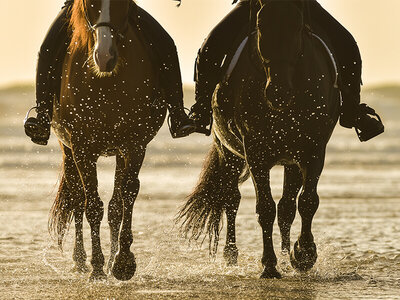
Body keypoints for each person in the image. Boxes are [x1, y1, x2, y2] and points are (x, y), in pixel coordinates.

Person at [190, 0, 384, 142]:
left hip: (302, 5)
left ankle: (352, 110)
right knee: (210, 47)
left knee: (347, 45)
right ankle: (201, 110)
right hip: (254, 4)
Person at [24, 0, 195, 145]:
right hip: (83, 5)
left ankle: (177, 113)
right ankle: (43, 114)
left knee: (166, 45)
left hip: (119, 5)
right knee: (47, 49)